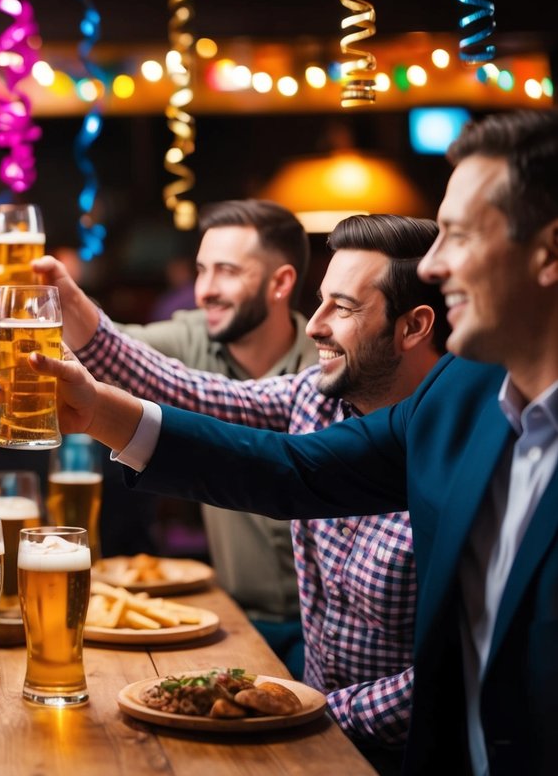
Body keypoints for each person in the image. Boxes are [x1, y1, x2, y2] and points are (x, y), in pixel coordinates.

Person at [35, 110, 558, 774]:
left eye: (455, 235)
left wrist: (299, 710)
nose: (434, 262)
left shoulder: (458, 393)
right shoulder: (457, 399)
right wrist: (99, 411)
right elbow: (288, 470)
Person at [35, 213, 445, 768]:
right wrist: (78, 323)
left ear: (414, 326)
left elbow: (464, 668)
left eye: (342, 308)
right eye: (319, 301)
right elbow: (194, 395)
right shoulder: (318, 398)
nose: (313, 326)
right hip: (309, 730)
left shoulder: (461, 445)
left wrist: (318, 715)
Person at [122, 199, 317, 670]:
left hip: (329, 629)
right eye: (201, 271)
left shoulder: (331, 363)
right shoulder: (194, 340)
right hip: (235, 620)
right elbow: (107, 347)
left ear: (281, 283)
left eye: (226, 271)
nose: (204, 291)